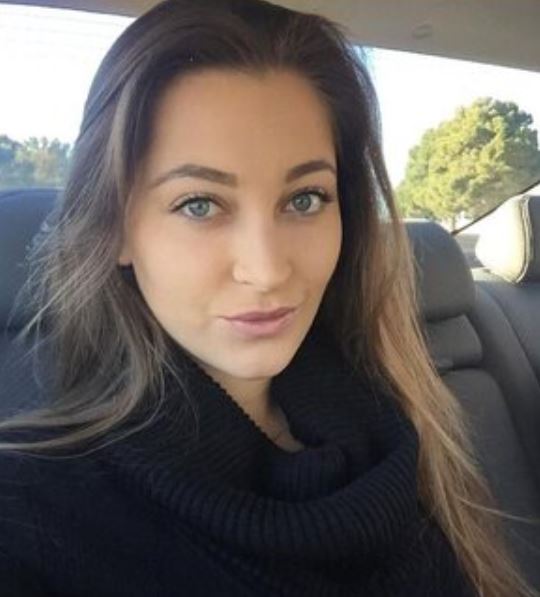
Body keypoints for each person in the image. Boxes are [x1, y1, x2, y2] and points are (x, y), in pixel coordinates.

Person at [0, 0, 535, 595]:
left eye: (305, 199)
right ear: (118, 228)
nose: (267, 269)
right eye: (199, 204)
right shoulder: (31, 513)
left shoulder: (398, 426)